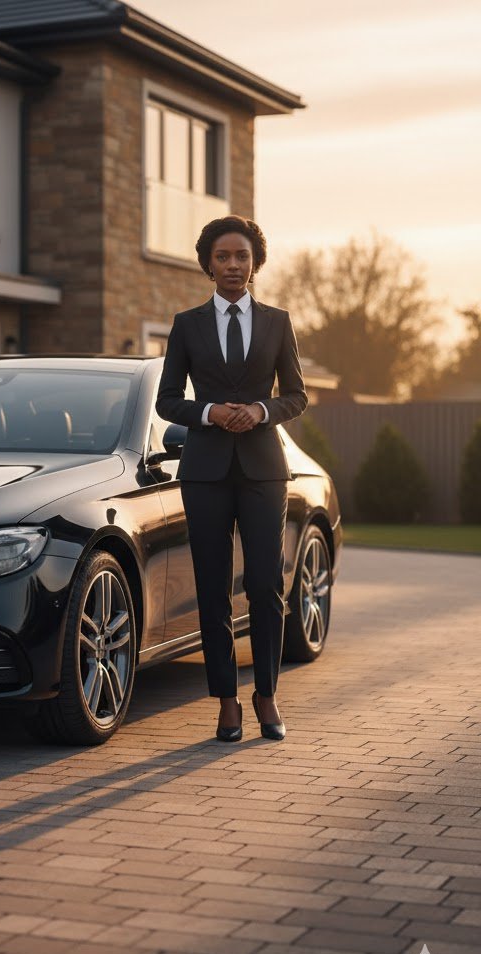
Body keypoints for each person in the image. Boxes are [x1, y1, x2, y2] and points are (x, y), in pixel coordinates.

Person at [156, 215, 307, 742]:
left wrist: (262, 411)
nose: (233, 266)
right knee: (212, 588)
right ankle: (226, 702)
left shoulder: (277, 321)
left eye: (241, 256)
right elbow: (167, 399)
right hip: (206, 472)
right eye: (222, 257)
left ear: (254, 263)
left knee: (267, 586)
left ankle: (266, 695)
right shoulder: (187, 324)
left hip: (264, 469)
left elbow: (297, 394)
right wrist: (211, 412)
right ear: (208, 264)